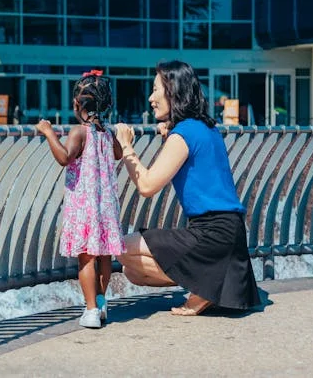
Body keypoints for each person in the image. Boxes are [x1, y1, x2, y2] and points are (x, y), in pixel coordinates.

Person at [114, 60, 261, 316]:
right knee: (132, 273)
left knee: (122, 248)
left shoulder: (183, 134)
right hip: (230, 232)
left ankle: (205, 289)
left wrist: (126, 145)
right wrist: (171, 130)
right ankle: (209, 285)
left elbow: (147, 186)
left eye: (155, 89)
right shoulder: (205, 127)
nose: (151, 98)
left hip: (212, 232)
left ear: (173, 90)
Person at [36, 70, 125, 329]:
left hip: (85, 206)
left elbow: (65, 158)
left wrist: (48, 132)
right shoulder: (107, 133)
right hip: (106, 205)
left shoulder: (79, 132)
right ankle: (100, 300)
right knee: (105, 256)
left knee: (86, 257)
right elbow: (118, 154)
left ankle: (90, 310)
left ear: (77, 104)